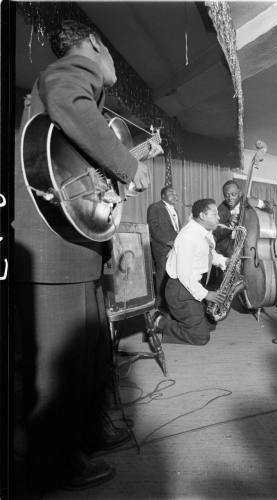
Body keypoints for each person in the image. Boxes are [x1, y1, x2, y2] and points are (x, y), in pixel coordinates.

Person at [13, 20, 153, 492]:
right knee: (60, 366)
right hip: (54, 254)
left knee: (90, 356)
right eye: (109, 53)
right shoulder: (72, 70)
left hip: (74, 251)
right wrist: (129, 165)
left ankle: (87, 437)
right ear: (95, 44)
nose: (110, 64)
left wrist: (109, 183)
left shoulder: (78, 99)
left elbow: (73, 165)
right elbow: (67, 99)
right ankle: (51, 465)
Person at [154, 199, 228, 345]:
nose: (219, 218)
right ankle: (159, 322)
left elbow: (208, 254)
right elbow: (184, 275)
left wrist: (224, 261)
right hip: (179, 290)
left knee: (210, 324)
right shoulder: (188, 236)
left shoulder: (203, 232)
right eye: (214, 214)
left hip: (191, 285)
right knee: (201, 336)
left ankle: (178, 319)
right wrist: (206, 295)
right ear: (202, 215)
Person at [213, 180, 272, 258]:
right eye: (227, 195)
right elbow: (216, 233)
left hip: (249, 247)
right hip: (228, 250)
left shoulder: (247, 201)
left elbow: (269, 207)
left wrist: (260, 203)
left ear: (239, 193)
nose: (230, 198)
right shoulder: (221, 209)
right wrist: (229, 225)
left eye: (233, 194)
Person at [147, 186, 180, 309]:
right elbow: (153, 228)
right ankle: (160, 304)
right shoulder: (155, 207)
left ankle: (170, 301)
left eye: (175, 193)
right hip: (162, 248)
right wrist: (168, 242)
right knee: (162, 275)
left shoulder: (174, 210)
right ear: (163, 196)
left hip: (175, 248)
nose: (175, 195)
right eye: (171, 193)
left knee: (173, 274)